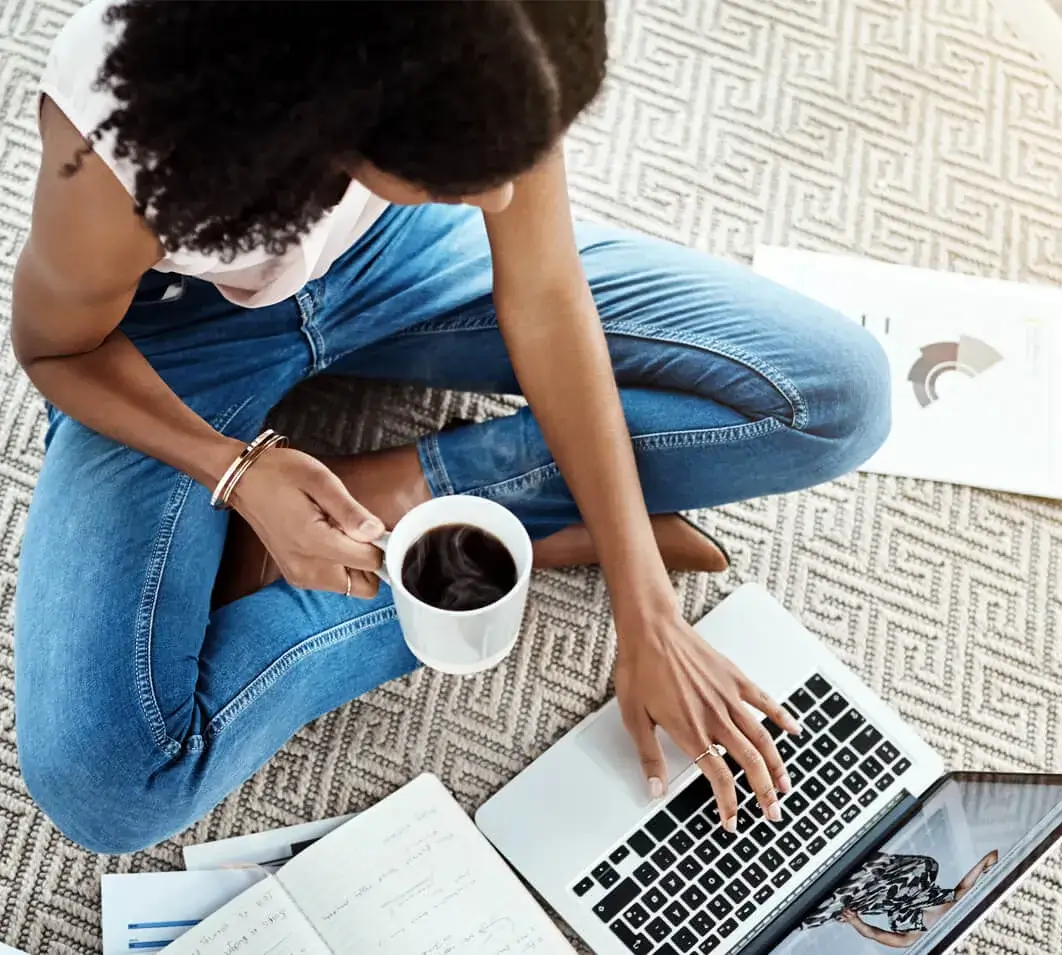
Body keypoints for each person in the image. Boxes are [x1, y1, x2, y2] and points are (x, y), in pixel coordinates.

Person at [11, 0, 890, 855]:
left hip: (393, 254)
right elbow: (56, 350)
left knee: (835, 397)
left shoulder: (497, 34)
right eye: (467, 170)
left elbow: (542, 292)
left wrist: (647, 604)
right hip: (176, 338)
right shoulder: (121, 131)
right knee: (112, 784)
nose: (503, 194)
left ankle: (417, 500)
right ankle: (494, 542)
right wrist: (235, 471)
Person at [801, 849, 1001, 947]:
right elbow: (990, 857)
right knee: (927, 867)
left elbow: (873, 934)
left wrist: (855, 921)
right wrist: (994, 871)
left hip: (876, 895)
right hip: (909, 872)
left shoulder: (912, 939)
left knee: (832, 909)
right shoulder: (962, 898)